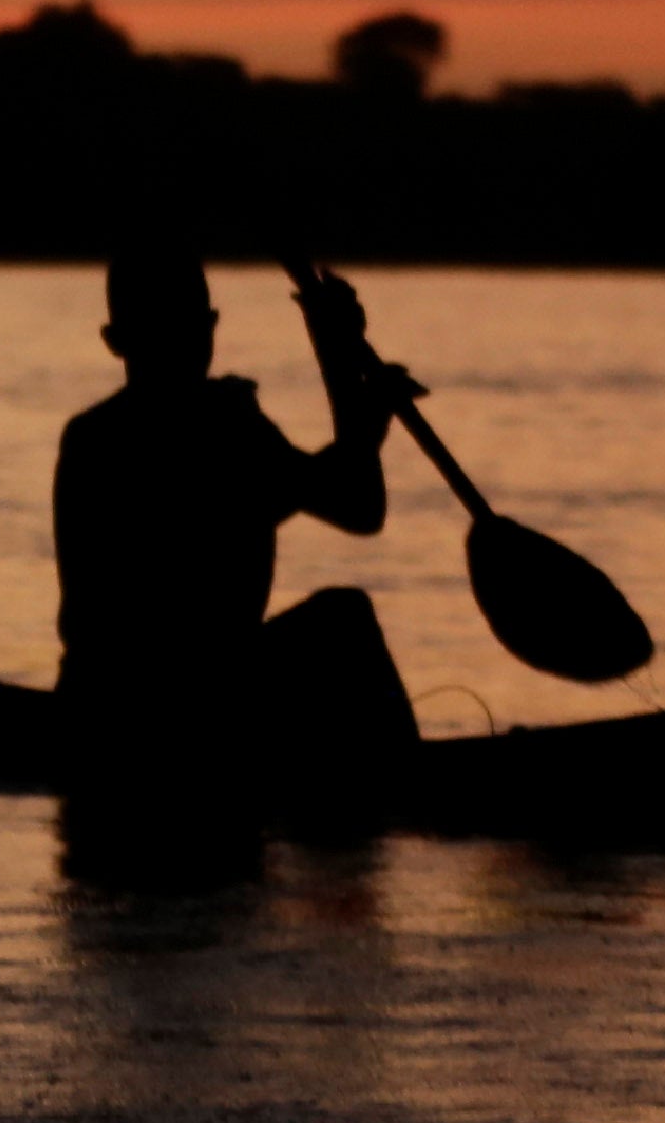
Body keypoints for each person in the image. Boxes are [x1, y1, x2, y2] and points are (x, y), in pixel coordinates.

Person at [52, 248, 420, 793]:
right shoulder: (226, 428)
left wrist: (339, 359)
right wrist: (338, 361)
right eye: (170, 329)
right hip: (181, 704)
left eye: (196, 326)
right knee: (344, 620)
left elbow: (355, 503)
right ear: (118, 342)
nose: (189, 344)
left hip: (113, 703)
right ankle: (409, 783)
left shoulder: (93, 435)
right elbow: (357, 503)